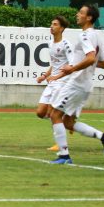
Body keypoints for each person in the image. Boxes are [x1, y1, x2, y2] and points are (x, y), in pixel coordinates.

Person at [48, 5, 104, 164]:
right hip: (86, 85)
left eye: (81, 13)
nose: (77, 15)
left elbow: (91, 58)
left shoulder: (84, 36)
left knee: (55, 115)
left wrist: (73, 68)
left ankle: (64, 156)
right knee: (68, 122)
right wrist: (79, 63)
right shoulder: (96, 36)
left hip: (76, 83)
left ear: (89, 18)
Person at [35, 15, 74, 152]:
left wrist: (57, 76)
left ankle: (59, 143)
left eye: (55, 24)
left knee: (52, 113)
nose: (51, 26)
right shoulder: (51, 44)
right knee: (40, 112)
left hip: (62, 82)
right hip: (52, 82)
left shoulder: (66, 44)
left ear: (62, 28)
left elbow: (71, 66)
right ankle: (64, 121)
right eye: (51, 24)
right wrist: (45, 75)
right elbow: (54, 64)